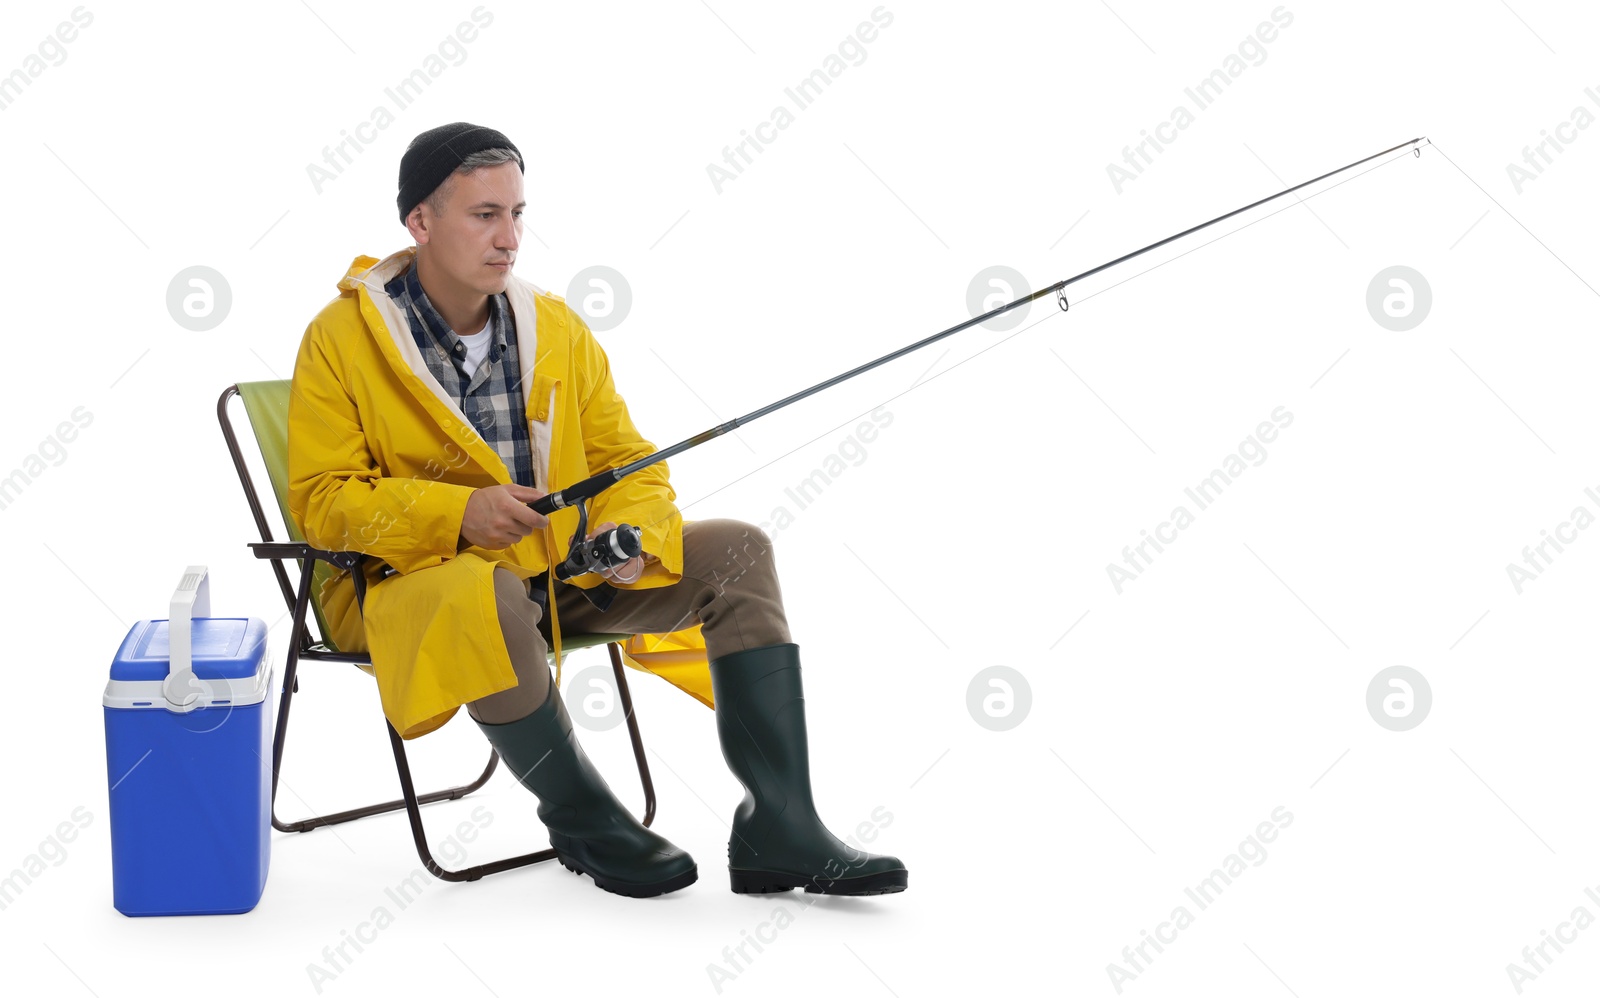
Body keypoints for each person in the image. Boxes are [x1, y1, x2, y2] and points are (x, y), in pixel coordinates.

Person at [286, 121, 907, 899]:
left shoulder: (556, 328)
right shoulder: (339, 339)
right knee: (485, 589)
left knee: (737, 550)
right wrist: (455, 514)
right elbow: (322, 503)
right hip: (415, 590)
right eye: (485, 215)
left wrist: (633, 537)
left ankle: (780, 824)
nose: (509, 237)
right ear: (419, 222)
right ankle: (582, 816)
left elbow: (627, 462)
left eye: (517, 212)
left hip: (557, 577)